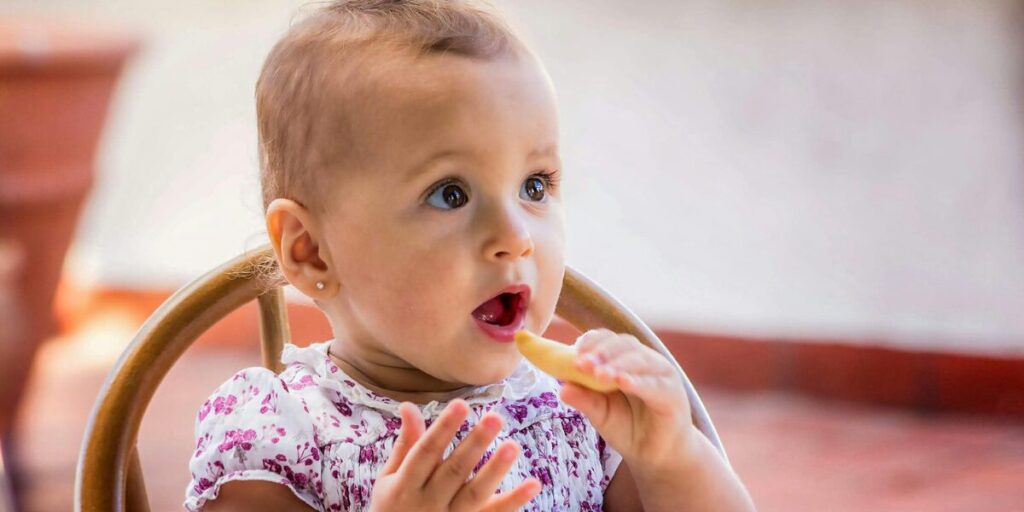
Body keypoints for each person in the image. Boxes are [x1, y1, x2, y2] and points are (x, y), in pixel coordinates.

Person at [185, 1, 755, 510]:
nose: (515, 236)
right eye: (449, 194)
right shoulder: (281, 435)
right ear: (311, 252)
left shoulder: (580, 417)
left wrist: (672, 458)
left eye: (535, 185)